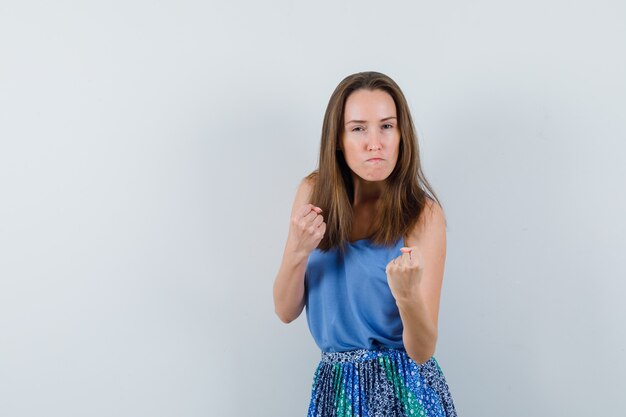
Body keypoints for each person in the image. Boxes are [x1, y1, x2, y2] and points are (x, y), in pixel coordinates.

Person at [273, 71, 457, 417]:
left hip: (406, 391)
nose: (376, 143)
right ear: (338, 139)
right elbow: (285, 311)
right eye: (359, 128)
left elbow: (422, 350)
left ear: (402, 135)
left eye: (387, 126)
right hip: (336, 389)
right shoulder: (313, 193)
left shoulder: (422, 214)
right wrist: (298, 251)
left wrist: (407, 295)